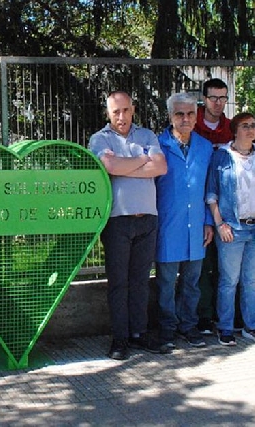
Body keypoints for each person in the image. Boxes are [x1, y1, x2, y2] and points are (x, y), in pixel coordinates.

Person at [88, 91, 169, 360]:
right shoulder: (100, 139)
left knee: (141, 281)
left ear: (132, 109)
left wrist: (126, 166)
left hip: (148, 218)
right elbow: (108, 165)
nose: (120, 117)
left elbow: (161, 167)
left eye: (125, 110)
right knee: (118, 283)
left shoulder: (147, 135)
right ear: (108, 114)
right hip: (117, 221)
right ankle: (120, 338)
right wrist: (142, 160)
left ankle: (139, 333)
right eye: (115, 112)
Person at [154, 93, 214, 349]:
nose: (185, 118)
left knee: (192, 282)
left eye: (190, 113)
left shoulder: (204, 147)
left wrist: (209, 221)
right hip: (168, 225)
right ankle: (167, 329)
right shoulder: (158, 146)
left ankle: (189, 327)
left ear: (196, 115)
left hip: (197, 225)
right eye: (179, 114)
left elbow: (211, 187)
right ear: (170, 116)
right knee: (166, 283)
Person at [206, 112, 255, 346]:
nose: (250, 130)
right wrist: (219, 223)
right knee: (229, 280)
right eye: (245, 126)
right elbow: (211, 194)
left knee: (251, 281)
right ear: (235, 131)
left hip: (254, 228)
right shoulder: (222, 157)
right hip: (232, 229)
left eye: (253, 126)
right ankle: (225, 327)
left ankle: (250, 326)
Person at [193, 78, 234, 335]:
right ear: (204, 98)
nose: (218, 103)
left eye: (222, 98)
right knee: (201, 266)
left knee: (226, 268)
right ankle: (203, 318)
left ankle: (227, 318)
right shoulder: (191, 123)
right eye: (213, 98)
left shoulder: (232, 128)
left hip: (227, 208)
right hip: (197, 205)